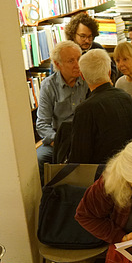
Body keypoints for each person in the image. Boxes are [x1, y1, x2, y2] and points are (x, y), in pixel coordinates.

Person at [69, 49, 132, 164]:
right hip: (129, 167)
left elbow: (78, 158)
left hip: (99, 175)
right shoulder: (126, 97)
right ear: (109, 72)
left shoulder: (85, 109)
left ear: (82, 76)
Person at [35, 41, 88, 177]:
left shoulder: (88, 80)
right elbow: (42, 124)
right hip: (57, 140)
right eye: (71, 61)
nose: (78, 64)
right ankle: (47, 196)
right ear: (58, 65)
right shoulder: (49, 85)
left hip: (84, 139)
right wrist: (59, 143)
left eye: (79, 59)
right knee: (38, 160)